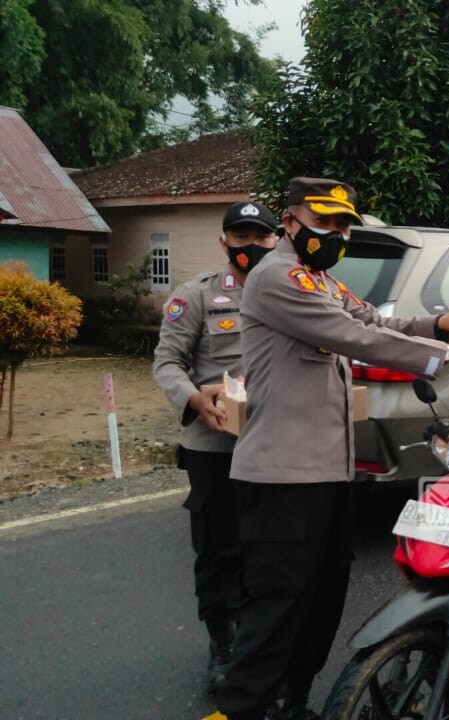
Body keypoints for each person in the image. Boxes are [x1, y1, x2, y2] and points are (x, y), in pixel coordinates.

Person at [215, 177, 449, 720]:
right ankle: (247, 705)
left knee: (320, 605)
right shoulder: (279, 278)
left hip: (327, 473)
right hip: (282, 477)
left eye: (344, 225)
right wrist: (445, 352)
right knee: (275, 609)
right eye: (325, 222)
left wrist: (437, 321)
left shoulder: (321, 280)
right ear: (289, 222)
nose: (337, 234)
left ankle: (291, 703)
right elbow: (357, 340)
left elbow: (374, 321)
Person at [152, 200, 279, 693]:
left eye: (260, 237)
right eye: (240, 237)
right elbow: (167, 362)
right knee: (219, 549)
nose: (251, 246)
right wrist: (194, 399)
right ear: (224, 241)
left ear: (276, 240)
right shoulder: (198, 296)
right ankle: (222, 643)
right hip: (214, 446)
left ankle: (257, 639)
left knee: (265, 548)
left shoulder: (292, 292)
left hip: (274, 444)